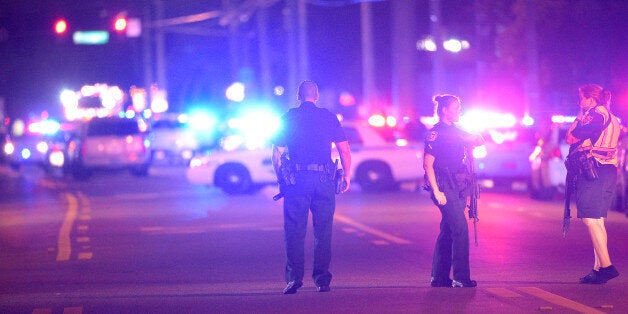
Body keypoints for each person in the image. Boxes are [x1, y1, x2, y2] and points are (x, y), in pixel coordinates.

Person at [271, 80, 352, 294]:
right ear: (316, 96)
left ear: (298, 96)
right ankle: (322, 280)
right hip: (324, 180)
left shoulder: (288, 117)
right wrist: (347, 176)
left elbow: (276, 153)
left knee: (294, 231)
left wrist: (281, 179)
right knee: (323, 231)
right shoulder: (328, 116)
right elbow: (344, 150)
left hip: (297, 180)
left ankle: (294, 279)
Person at [423, 94, 484, 288]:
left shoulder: (457, 131)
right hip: (443, 186)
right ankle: (461, 277)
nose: (459, 111)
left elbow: (476, 139)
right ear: (444, 111)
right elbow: (427, 164)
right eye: (456, 107)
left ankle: (439, 277)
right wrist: (436, 191)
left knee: (448, 229)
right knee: (460, 228)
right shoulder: (436, 133)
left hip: (458, 185)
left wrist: (476, 138)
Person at [565, 84, 621, 284]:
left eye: (581, 98)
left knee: (589, 218)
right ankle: (598, 269)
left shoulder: (594, 115)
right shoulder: (611, 117)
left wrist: (579, 116)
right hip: (607, 171)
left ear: (589, 100)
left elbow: (571, 137)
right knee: (597, 220)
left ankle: (606, 266)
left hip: (594, 170)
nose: (579, 102)